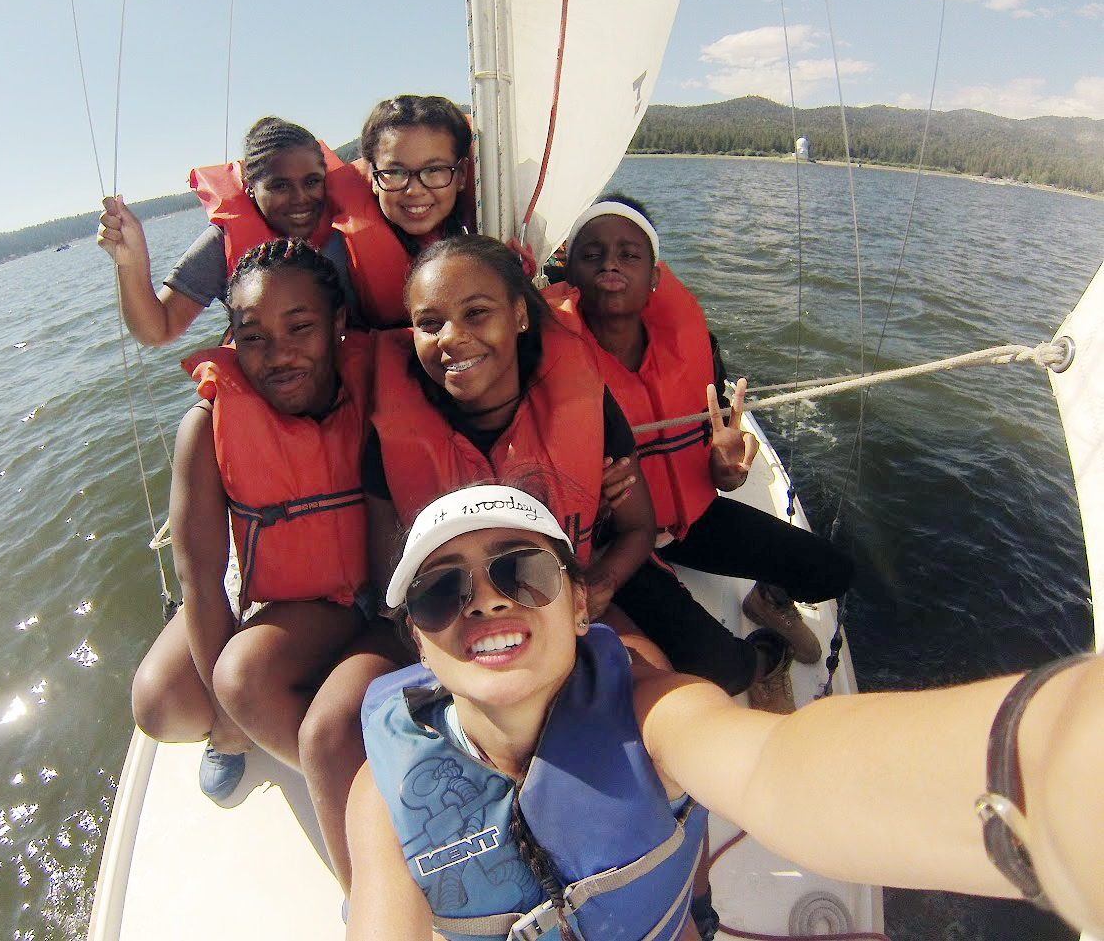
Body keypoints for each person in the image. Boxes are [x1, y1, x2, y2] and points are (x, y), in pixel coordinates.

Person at [345, 484, 1104, 941]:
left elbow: (784, 771)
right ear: (417, 637)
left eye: (521, 568)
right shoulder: (385, 792)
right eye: (442, 589)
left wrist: (1050, 768)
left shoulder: (656, 713)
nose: (485, 596)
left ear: (580, 605)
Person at [129, 239, 407, 889]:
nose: (278, 352)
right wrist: (227, 717)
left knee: (247, 676)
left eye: (300, 327)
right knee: (162, 702)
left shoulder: (378, 382)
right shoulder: (208, 425)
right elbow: (199, 578)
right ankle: (270, 731)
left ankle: (349, 781)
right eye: (252, 336)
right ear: (230, 338)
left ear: (339, 322)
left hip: (371, 597)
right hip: (287, 595)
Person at [546, 195, 855, 691]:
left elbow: (716, 446)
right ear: (569, 274)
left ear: (654, 278)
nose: (610, 264)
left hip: (692, 519)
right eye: (592, 254)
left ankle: (766, 599)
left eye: (629, 254)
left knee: (832, 571)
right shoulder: (543, 362)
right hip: (616, 538)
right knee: (725, 672)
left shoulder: (692, 345)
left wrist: (724, 471)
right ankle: (761, 660)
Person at [363, 233, 655, 631]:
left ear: (520, 314)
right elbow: (389, 590)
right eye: (429, 323)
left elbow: (639, 528)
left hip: (556, 610)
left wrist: (600, 584)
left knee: (675, 669)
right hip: (454, 628)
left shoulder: (586, 404)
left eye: (477, 312)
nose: (450, 337)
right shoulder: (389, 434)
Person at [96, 116, 361, 344]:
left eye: (312, 181)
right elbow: (159, 329)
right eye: (280, 186)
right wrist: (131, 264)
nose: (300, 197)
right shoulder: (222, 243)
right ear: (250, 186)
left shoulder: (351, 221)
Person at [336, 93, 477, 326]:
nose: (414, 190)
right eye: (396, 172)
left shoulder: (492, 226)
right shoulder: (340, 260)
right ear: (373, 177)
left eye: (433, 170)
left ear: (461, 174)